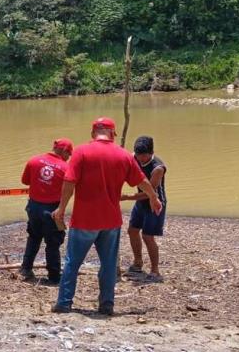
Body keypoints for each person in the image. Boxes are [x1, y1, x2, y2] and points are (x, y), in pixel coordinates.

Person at [51, 118, 162, 315]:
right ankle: (107, 305)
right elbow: (142, 180)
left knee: (72, 262)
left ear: (93, 132)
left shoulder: (81, 152)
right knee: (109, 264)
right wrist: (153, 197)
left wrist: (61, 208)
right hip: (110, 221)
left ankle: (64, 303)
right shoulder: (123, 155)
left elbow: (69, 182)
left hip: (84, 220)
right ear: (112, 134)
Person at [19, 138, 74, 284]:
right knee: (53, 243)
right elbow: (69, 191)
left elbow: (25, 181)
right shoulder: (66, 168)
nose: (69, 157)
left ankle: (26, 268)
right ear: (63, 151)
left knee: (34, 237)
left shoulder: (34, 160)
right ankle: (54, 277)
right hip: (52, 210)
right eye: (69, 154)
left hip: (33, 207)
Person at [121, 135, 167, 282]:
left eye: (144, 156)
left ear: (151, 152)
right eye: (138, 156)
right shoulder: (133, 157)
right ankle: (138, 263)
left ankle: (155, 271)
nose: (141, 159)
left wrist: (127, 197)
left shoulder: (157, 168)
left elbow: (150, 193)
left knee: (147, 236)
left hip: (154, 202)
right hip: (139, 202)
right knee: (132, 231)